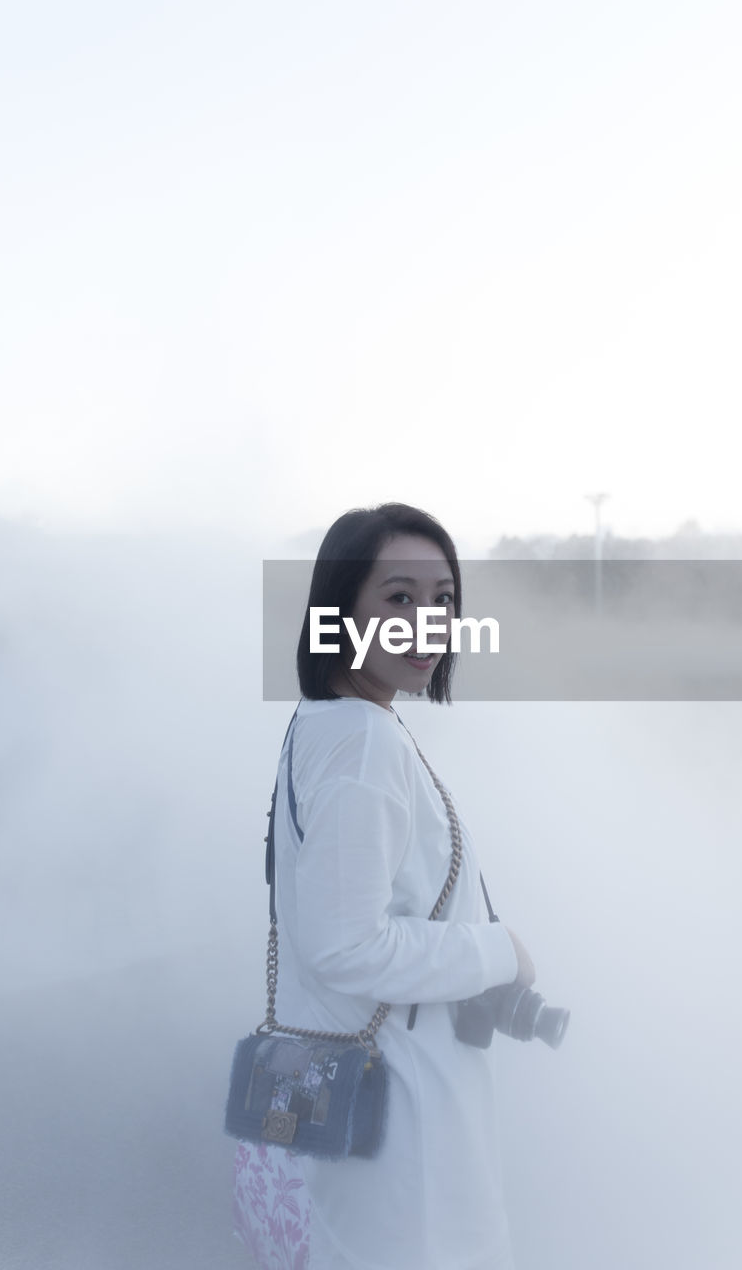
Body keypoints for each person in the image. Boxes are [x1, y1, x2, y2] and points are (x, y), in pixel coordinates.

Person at [233, 502, 535, 1270]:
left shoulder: (327, 722)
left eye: (442, 602)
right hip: (403, 1113)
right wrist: (499, 951)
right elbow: (346, 944)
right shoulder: (362, 743)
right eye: (397, 598)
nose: (426, 623)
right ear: (340, 610)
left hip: (365, 1097)